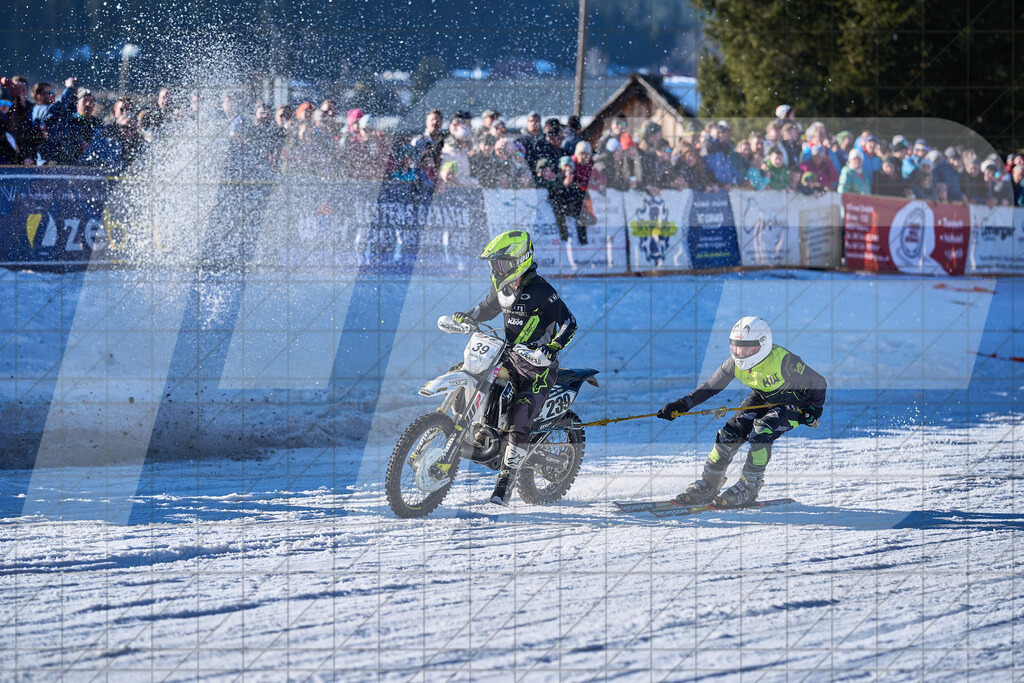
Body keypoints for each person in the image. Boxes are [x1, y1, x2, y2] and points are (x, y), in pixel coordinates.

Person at [452, 230, 578, 506]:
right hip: (507, 356)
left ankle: (505, 482)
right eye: (494, 264)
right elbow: (484, 310)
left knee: (521, 417)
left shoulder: (542, 291)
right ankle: (461, 432)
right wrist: (466, 317)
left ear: (520, 261)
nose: (496, 269)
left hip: (537, 366)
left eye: (501, 264)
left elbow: (570, 323)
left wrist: (553, 347)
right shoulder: (504, 289)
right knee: (467, 372)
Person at [657, 316, 827, 508]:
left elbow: (818, 383)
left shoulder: (784, 362)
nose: (740, 353)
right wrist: (682, 404)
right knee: (728, 434)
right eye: (736, 347)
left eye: (747, 348)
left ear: (763, 344)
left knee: (761, 432)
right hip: (762, 397)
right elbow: (710, 386)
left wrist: (814, 410)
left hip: (795, 405)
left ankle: (749, 487)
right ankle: (709, 484)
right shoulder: (734, 363)